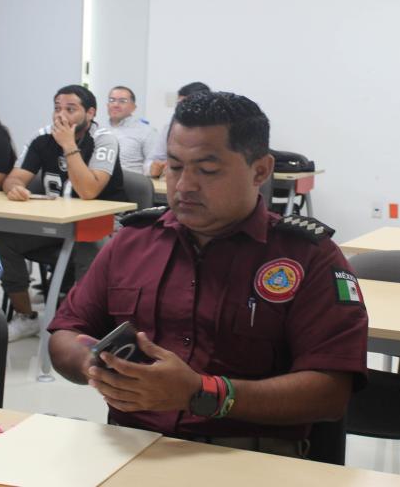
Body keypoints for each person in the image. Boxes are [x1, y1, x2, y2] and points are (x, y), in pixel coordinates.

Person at [48, 91, 369, 457]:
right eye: (175, 166)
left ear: (260, 171)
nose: (184, 185)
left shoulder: (308, 257)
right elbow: (66, 332)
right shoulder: (133, 242)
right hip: (132, 447)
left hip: (248, 458)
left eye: (207, 170)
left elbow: (330, 392)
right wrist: (96, 364)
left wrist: (202, 393)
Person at [0, 84, 127, 342]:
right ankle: (26, 317)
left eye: (70, 109)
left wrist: (68, 145)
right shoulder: (42, 137)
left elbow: (88, 191)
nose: (60, 115)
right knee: (3, 243)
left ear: (90, 113)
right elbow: (14, 178)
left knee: (92, 248)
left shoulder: (104, 139)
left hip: (104, 223)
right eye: (57, 108)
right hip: (59, 221)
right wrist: (15, 188)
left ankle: (82, 325)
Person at [148, 81, 211, 178]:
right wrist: (153, 167)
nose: (182, 109)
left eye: (187, 104)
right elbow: (155, 159)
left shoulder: (216, 131)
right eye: (179, 104)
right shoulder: (169, 128)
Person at [106, 85, 158, 174]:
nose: (115, 105)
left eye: (122, 101)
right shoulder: (98, 130)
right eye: (112, 100)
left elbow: (153, 164)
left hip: (129, 184)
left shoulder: (147, 131)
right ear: (107, 105)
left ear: (133, 107)